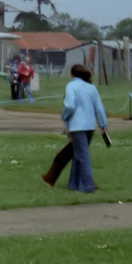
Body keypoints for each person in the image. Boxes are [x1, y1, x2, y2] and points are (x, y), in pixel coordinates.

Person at [43, 64, 109, 192]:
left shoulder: (71, 86)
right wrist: (103, 125)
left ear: (72, 74)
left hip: (77, 127)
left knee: (82, 156)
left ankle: (88, 186)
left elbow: (70, 106)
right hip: (89, 127)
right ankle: (73, 184)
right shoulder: (91, 88)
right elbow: (99, 108)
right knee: (78, 155)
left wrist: (64, 115)